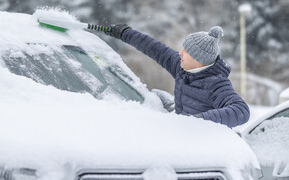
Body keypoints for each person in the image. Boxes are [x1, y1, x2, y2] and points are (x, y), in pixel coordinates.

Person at [104, 24, 249, 128]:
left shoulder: (217, 84)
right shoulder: (182, 67)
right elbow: (155, 49)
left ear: (198, 59)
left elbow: (241, 110)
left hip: (204, 147)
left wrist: (200, 120)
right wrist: (126, 33)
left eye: (186, 51)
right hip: (181, 133)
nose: (180, 53)